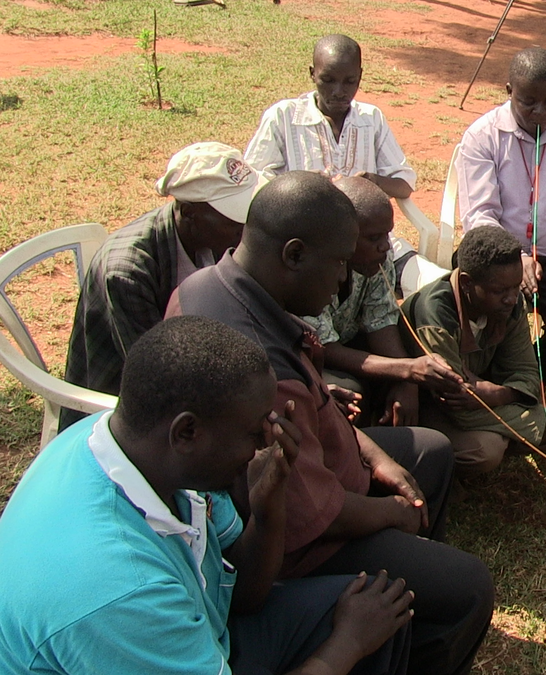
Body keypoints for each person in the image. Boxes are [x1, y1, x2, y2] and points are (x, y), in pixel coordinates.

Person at [167, 171, 493, 675]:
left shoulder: (212, 286)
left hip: (327, 474)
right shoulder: (255, 372)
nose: (344, 281)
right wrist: (390, 515)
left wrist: (372, 452)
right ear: (294, 255)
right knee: (468, 588)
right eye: (339, 264)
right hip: (303, 545)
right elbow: (307, 513)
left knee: (429, 451)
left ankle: (411, 575)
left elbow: (320, 405)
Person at [0, 315, 415, 674]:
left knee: (375, 605)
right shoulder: (120, 589)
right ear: (187, 432)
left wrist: (267, 508)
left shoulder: (139, 450)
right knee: (359, 631)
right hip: (140, 638)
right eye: (252, 432)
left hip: (192, 632)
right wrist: (346, 645)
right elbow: (141, 603)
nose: (263, 444)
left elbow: (242, 597)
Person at [62, 141, 266, 431]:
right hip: (137, 404)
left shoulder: (212, 239)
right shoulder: (127, 274)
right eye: (235, 219)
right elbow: (160, 376)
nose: (245, 228)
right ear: (189, 212)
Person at [244, 34, 445, 297]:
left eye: (350, 82)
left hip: (372, 247)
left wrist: (372, 181)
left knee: (437, 288)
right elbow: (253, 182)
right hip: (310, 250)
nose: (339, 91)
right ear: (312, 74)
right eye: (328, 80)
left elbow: (404, 184)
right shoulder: (283, 117)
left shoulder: (370, 119)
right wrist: (300, 185)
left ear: (360, 77)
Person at [456, 46, 546, 382]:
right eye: (528, 102)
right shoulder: (482, 137)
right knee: (481, 315)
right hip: (496, 256)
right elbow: (480, 215)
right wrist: (515, 258)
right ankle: (493, 375)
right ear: (509, 91)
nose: (541, 111)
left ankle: (523, 382)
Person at [401, 226, 546, 478]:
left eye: (515, 288)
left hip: (483, 407)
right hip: (428, 409)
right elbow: (456, 403)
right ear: (467, 283)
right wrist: (534, 417)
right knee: (487, 451)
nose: (512, 298)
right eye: (499, 291)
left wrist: (498, 394)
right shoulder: (436, 316)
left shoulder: (509, 304)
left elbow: (526, 372)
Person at [303, 176, 462, 426]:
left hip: (350, 343)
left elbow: (381, 323)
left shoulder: (375, 263)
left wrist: (406, 380)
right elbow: (327, 348)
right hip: (312, 359)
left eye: (387, 235)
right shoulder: (313, 272)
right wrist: (406, 370)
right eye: (374, 238)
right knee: (352, 390)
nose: (385, 247)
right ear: (342, 235)